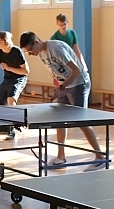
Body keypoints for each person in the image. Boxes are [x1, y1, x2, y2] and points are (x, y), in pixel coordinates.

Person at [19, 31, 104, 171]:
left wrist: (62, 87)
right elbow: (55, 70)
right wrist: (58, 89)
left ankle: (100, 158)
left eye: (29, 50)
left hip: (79, 84)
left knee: (81, 122)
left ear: (36, 42)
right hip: (65, 85)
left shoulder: (56, 48)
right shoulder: (41, 54)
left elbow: (76, 70)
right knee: (60, 119)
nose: (30, 54)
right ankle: (61, 157)